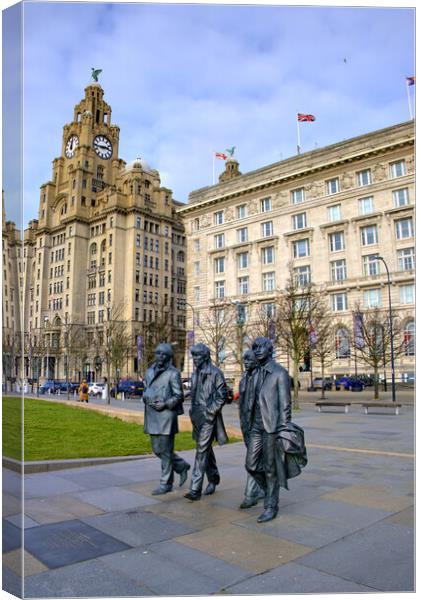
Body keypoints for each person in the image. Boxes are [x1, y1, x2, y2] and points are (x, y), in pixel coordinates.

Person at [245, 337, 307, 523]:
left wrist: (283, 430)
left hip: (272, 427)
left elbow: (285, 406)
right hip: (256, 426)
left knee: (271, 468)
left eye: (261, 348)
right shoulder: (254, 372)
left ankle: (271, 505)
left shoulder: (280, 373)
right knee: (251, 465)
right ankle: (268, 491)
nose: (257, 351)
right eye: (254, 348)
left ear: (269, 350)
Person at [143, 343, 190, 495]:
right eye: (158, 353)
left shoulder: (173, 373)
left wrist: (165, 404)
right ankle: (181, 466)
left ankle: (166, 483)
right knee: (157, 450)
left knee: (165, 450)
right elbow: (146, 389)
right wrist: (145, 397)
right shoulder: (149, 371)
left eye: (164, 354)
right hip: (152, 414)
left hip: (166, 416)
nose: (160, 357)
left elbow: (179, 395)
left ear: (169, 357)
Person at [184, 343, 228, 501]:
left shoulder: (216, 373)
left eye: (198, 356)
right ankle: (214, 478)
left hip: (208, 416)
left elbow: (222, 395)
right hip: (196, 416)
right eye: (193, 356)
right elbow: (199, 391)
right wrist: (188, 395)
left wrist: (211, 411)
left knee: (201, 450)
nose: (195, 359)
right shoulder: (195, 373)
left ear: (206, 356)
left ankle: (195, 489)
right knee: (205, 449)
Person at [238, 349, 265, 509]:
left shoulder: (263, 377)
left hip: (259, 426)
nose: (246, 362)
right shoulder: (243, 379)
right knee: (257, 461)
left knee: (251, 462)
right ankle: (264, 488)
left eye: (249, 360)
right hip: (247, 425)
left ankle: (250, 495)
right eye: (244, 360)